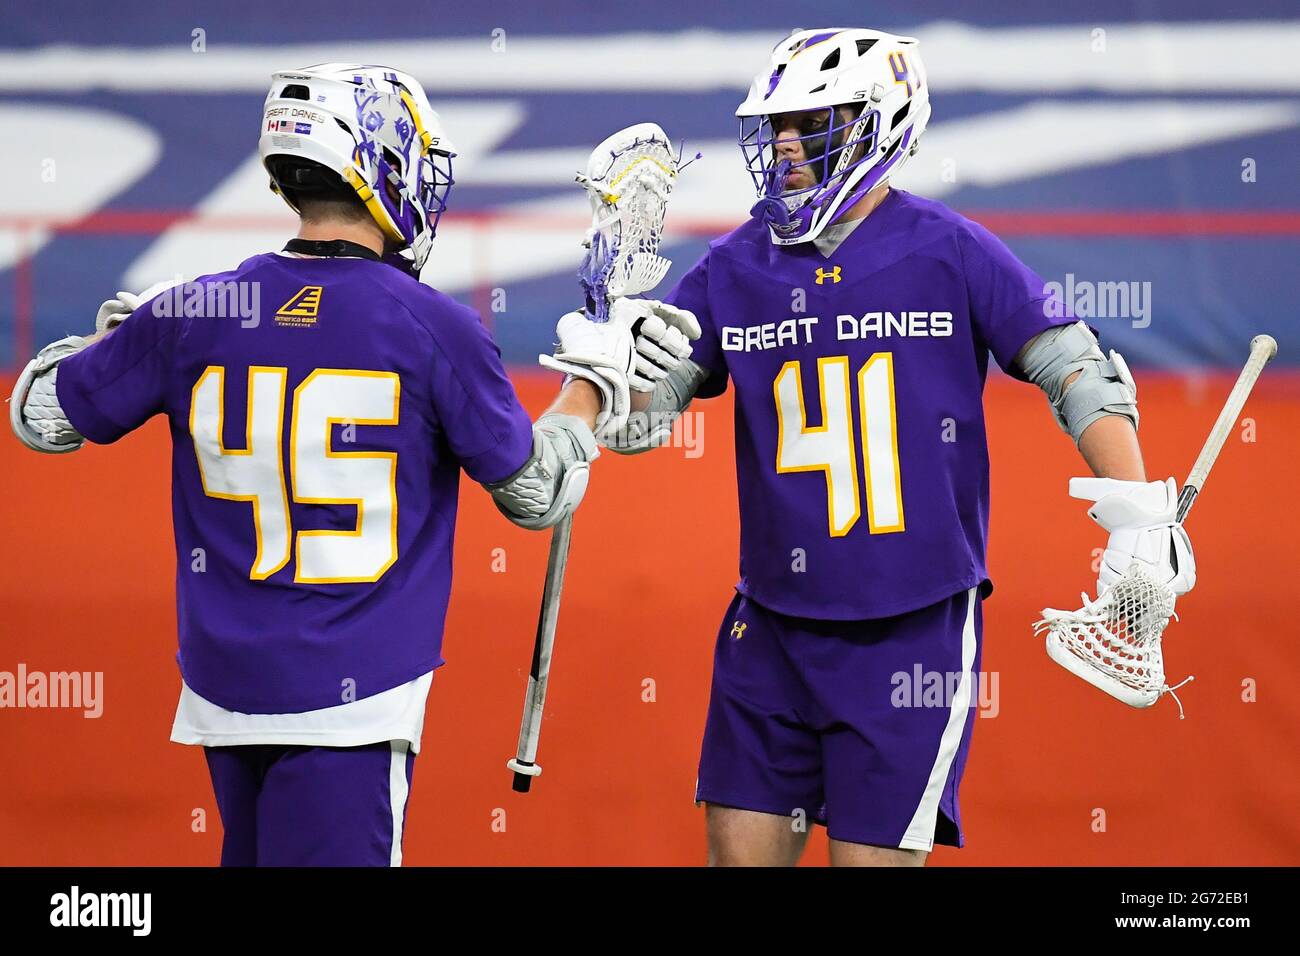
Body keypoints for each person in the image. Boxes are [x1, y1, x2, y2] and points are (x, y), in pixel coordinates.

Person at [8, 63, 684, 866]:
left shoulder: (196, 307)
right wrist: (591, 384)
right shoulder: (433, 325)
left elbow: (40, 417)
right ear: (386, 166)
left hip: (223, 690)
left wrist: (120, 334)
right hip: (352, 701)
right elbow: (537, 492)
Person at [605, 28, 1196, 866]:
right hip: (768, 622)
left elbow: (1079, 371)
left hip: (910, 629)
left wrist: (1139, 512)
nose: (783, 146)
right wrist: (616, 374)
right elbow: (642, 423)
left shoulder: (947, 247)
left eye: (811, 121)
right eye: (774, 127)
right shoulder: (733, 265)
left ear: (878, 124)